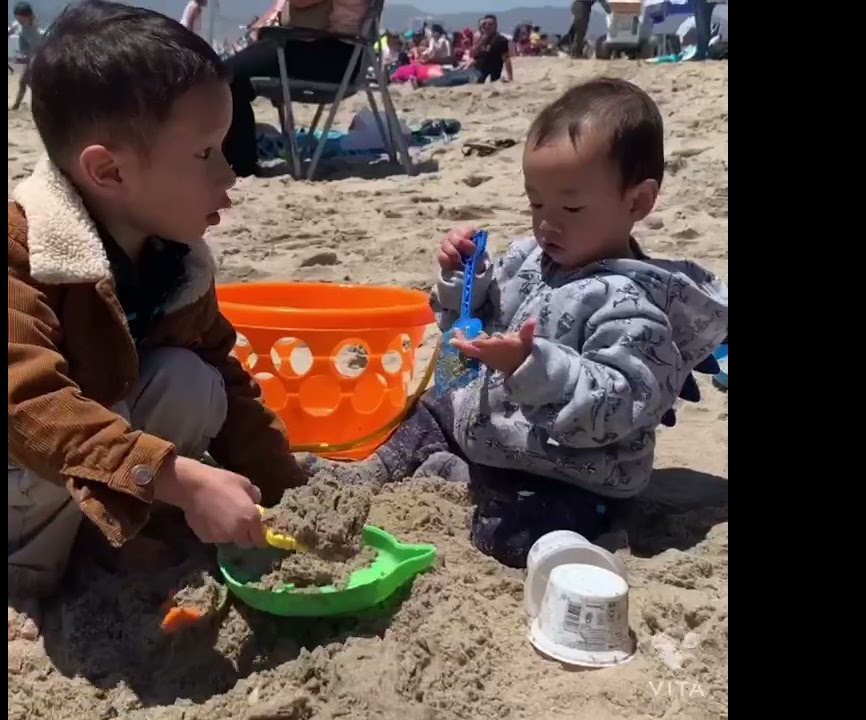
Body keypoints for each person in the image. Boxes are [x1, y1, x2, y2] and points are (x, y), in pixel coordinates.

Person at [302, 77, 729, 568]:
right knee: (425, 413)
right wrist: (464, 280)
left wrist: (531, 366)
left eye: (570, 207)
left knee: (512, 538)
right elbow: (472, 320)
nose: (547, 223)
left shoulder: (632, 305)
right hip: (490, 425)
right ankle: (377, 469)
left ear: (636, 202)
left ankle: (464, 483)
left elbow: (617, 405)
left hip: (569, 469)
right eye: (535, 203)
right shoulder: (531, 258)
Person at [8, 0, 307, 599]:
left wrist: (289, 493)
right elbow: (26, 401)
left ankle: (101, 538)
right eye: (204, 154)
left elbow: (227, 376)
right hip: (21, 458)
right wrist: (177, 477)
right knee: (59, 426)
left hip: (96, 458)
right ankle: (23, 583)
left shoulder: (175, 261)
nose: (228, 174)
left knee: (193, 380)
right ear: (109, 172)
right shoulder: (28, 250)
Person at [222, 0, 372, 178]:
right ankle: (237, 159)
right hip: (343, 54)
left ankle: (239, 163)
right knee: (230, 75)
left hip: (330, 53)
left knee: (225, 76)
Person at [8, 2, 46, 110]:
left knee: (29, 82)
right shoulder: (18, 25)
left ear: (28, 16)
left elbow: (40, 48)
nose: (19, 22)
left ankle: (39, 104)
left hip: (38, 58)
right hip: (28, 58)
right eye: (18, 19)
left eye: (21, 19)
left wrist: (28, 58)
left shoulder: (36, 30)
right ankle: (17, 104)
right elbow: (11, 30)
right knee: (24, 82)